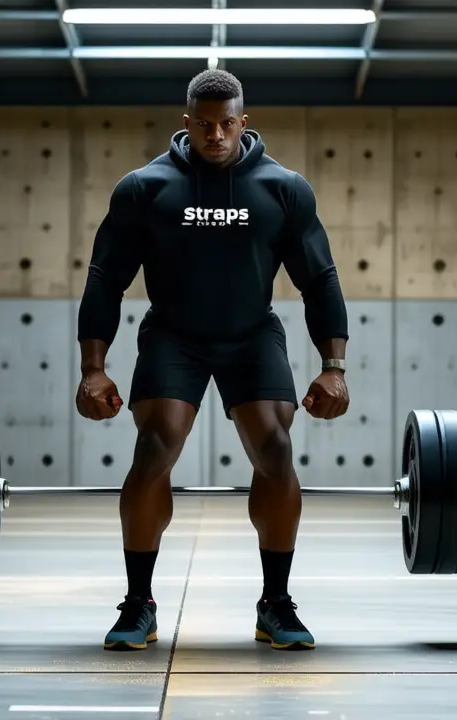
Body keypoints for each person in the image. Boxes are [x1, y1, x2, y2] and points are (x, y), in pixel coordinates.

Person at [74, 68, 350, 652]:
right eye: (204, 125)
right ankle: (139, 603)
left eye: (226, 124)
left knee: (275, 449)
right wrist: (93, 368)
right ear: (187, 122)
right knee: (155, 447)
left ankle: (275, 603)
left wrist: (335, 367)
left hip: (251, 335)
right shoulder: (144, 188)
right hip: (174, 335)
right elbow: (104, 279)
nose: (216, 135)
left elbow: (320, 279)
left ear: (243, 122)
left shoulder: (284, 189)